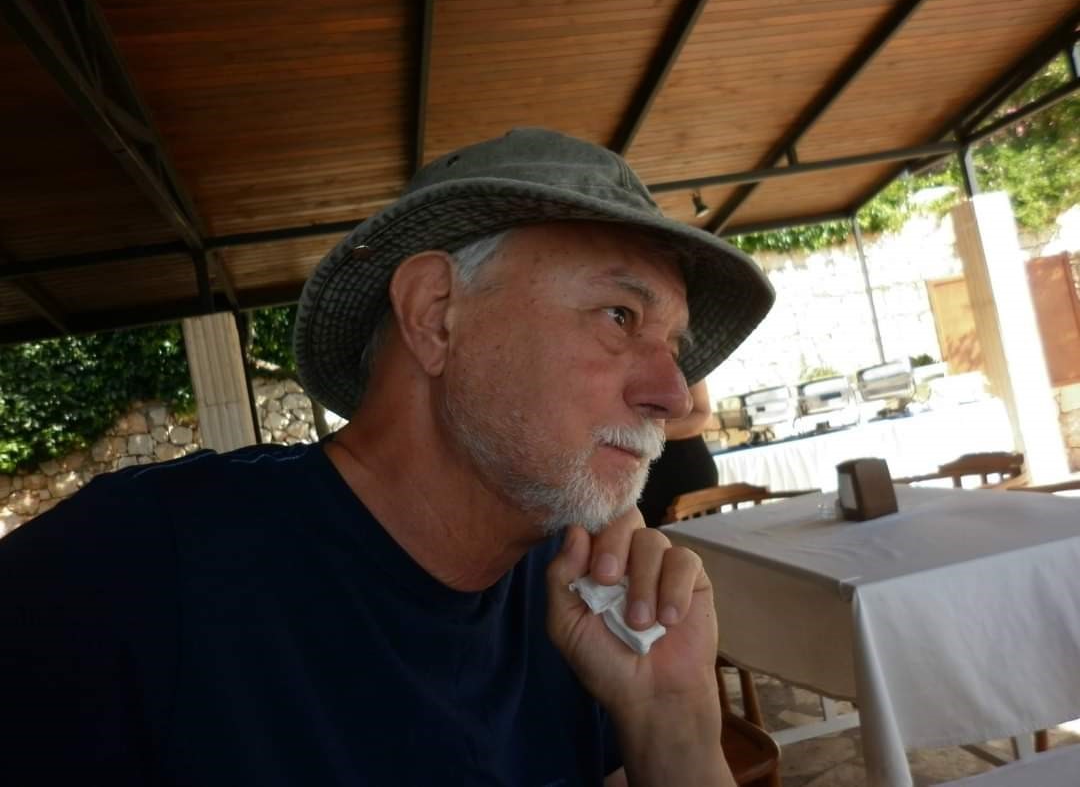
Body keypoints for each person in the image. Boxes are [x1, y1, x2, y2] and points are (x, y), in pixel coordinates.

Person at [0, 128, 773, 786]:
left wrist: (671, 725)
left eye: (672, 347)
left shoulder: (581, 599)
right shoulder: (132, 570)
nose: (671, 393)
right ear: (435, 315)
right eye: (619, 316)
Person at [637, 380, 720, 528]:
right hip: (632, 469)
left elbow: (702, 415)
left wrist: (642, 436)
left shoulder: (684, 365)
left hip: (683, 468)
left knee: (701, 536)